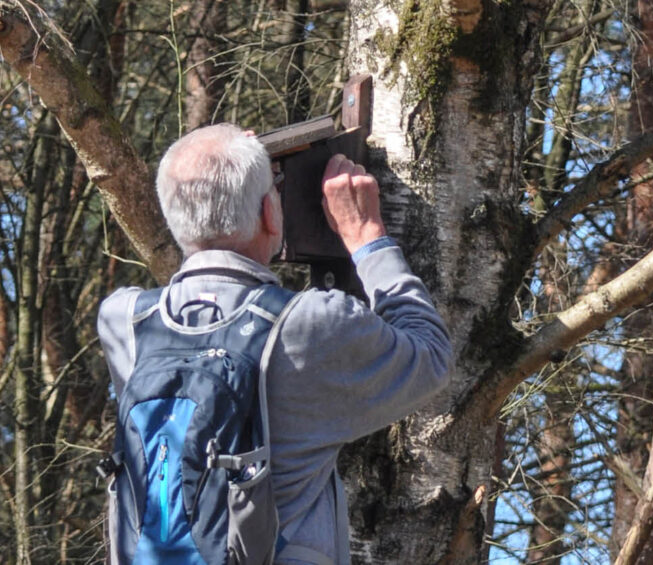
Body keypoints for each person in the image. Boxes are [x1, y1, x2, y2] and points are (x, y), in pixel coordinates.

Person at [96, 124, 452, 564]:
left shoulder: (124, 321)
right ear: (270, 211)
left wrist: (220, 159)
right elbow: (430, 356)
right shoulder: (310, 326)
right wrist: (366, 237)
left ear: (173, 217)